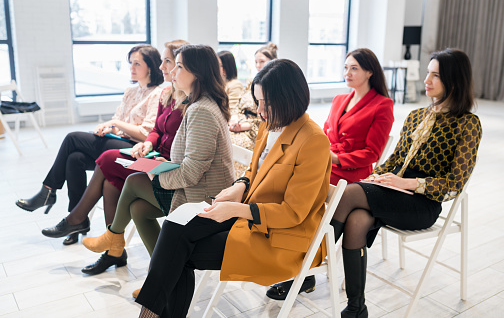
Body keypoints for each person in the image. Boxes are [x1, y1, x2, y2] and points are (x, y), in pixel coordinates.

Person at [134, 59, 334, 318]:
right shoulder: (270, 123)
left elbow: (293, 213)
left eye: (267, 103)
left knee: (180, 253)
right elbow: (255, 171)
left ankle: (148, 314)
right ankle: (151, 313)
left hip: (280, 237)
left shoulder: (313, 141)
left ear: (290, 98)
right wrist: (240, 186)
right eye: (258, 101)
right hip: (249, 214)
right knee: (174, 226)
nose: (260, 111)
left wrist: (237, 209)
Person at [330, 48, 482, 317]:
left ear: (454, 82)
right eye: (428, 73)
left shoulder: (467, 124)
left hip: (423, 204)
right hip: (392, 193)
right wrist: (379, 177)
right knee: (355, 221)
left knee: (349, 193)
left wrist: (406, 184)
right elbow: (394, 160)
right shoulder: (415, 116)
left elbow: (455, 183)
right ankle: (356, 309)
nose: (427, 80)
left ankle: (306, 261)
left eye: (436, 75)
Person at [80, 45, 234, 295]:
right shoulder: (195, 104)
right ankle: (160, 275)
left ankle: (114, 238)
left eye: (180, 66)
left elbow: (191, 174)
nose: (172, 71)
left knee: (134, 182)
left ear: (198, 73)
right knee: (139, 209)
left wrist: (156, 174)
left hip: (203, 199)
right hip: (195, 188)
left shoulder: (201, 110)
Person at [40, 40, 187, 262]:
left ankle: (78, 219)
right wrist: (144, 142)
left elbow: (151, 132)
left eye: (168, 61)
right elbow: (156, 130)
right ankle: (112, 249)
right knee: (80, 161)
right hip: (145, 151)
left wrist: (127, 130)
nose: (162, 67)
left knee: (82, 144)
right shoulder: (167, 95)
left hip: (160, 163)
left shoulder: (174, 96)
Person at [265, 48, 395, 300]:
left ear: (370, 72)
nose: (347, 72)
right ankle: (293, 263)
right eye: (345, 67)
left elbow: (372, 153)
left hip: (353, 176)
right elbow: (324, 134)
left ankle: (302, 271)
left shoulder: (382, 105)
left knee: (303, 203)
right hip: (327, 165)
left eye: (354, 68)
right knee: (288, 191)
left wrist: (335, 158)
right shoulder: (339, 100)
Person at [15, 45, 164, 231]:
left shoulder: (158, 93)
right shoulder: (130, 91)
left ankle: (48, 191)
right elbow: (120, 126)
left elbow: (145, 132)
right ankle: (77, 220)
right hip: (119, 140)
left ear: (150, 67)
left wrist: (115, 123)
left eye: (137, 63)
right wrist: (108, 128)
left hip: (135, 148)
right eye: (130, 63)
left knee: (72, 138)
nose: (131, 68)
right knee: (74, 158)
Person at [228, 43, 277, 177]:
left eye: (262, 61)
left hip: (255, 128)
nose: (258, 65)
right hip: (240, 122)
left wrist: (242, 126)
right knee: (221, 137)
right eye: (256, 62)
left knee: (234, 143)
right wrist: (234, 119)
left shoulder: (273, 87)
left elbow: (264, 119)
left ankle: (239, 178)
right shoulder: (252, 82)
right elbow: (238, 105)